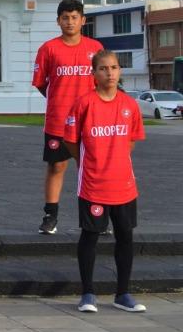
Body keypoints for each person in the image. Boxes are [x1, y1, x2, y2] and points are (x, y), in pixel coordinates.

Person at [63, 50, 146, 314]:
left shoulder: (130, 105)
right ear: (94, 74)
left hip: (124, 185)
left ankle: (123, 294)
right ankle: (87, 293)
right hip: (93, 184)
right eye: (103, 68)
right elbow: (70, 140)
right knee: (90, 236)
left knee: (125, 236)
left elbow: (130, 142)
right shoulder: (84, 104)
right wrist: (91, 162)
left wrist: (115, 161)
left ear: (120, 71)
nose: (109, 73)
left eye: (114, 67)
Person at [33, 0, 103, 235]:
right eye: (65, 17)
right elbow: (41, 83)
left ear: (83, 20)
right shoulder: (48, 49)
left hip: (91, 120)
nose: (70, 22)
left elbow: (102, 82)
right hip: (58, 121)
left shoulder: (95, 48)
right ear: (58, 21)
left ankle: (97, 216)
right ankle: (50, 216)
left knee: (92, 167)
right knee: (56, 166)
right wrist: (58, 100)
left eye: (74, 17)